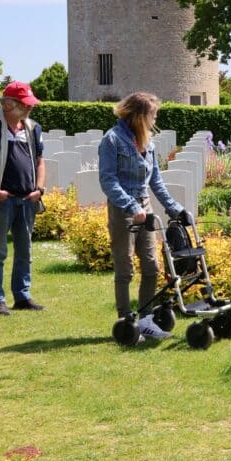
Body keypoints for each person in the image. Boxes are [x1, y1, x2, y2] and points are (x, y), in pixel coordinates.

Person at [98, 92, 190, 339]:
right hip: (123, 209)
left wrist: (176, 209)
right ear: (139, 116)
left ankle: (147, 319)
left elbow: (156, 182)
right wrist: (131, 207)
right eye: (153, 114)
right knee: (125, 267)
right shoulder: (112, 140)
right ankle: (126, 321)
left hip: (145, 206)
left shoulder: (149, 142)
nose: (155, 119)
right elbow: (108, 180)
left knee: (152, 266)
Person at [0, 81, 46, 315]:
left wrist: (39, 189)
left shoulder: (33, 128)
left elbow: (40, 162)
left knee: (25, 251)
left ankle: (22, 296)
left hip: (27, 199)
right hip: (1, 200)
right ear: (7, 104)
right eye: (24, 104)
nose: (29, 108)